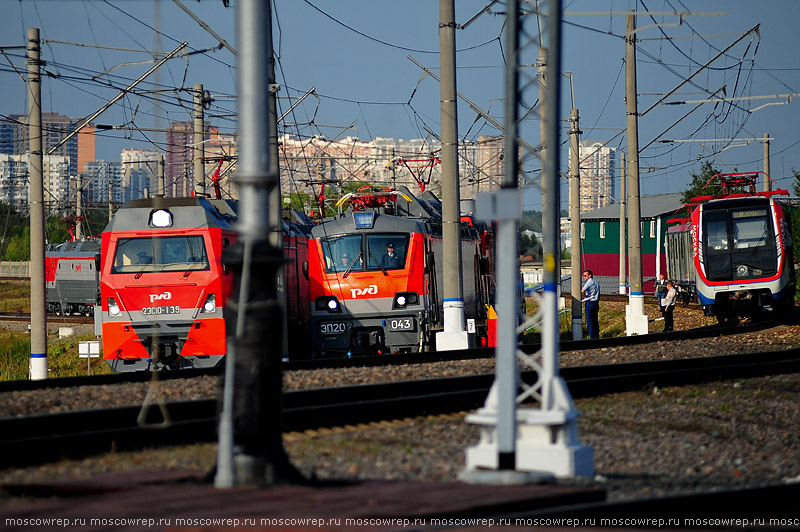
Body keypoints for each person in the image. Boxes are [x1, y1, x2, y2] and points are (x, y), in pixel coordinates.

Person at [581, 269, 600, 339]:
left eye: (585, 275)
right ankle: (597, 336)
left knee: (590, 321)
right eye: (583, 275)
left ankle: (592, 337)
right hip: (596, 302)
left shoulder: (589, 282)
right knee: (595, 320)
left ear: (590, 275)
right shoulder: (596, 283)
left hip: (590, 302)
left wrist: (584, 295)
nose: (584, 277)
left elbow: (583, 290)